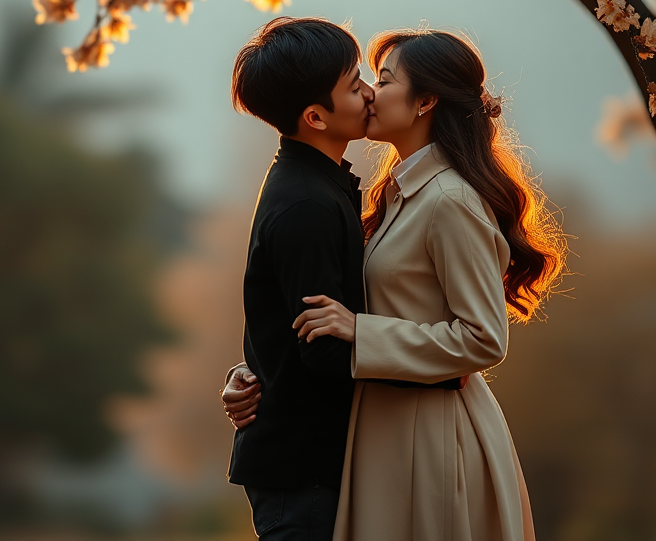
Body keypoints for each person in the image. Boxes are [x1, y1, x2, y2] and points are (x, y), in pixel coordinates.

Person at [224, 28, 565, 541]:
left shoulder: (449, 200)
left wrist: (360, 333)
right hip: (384, 432)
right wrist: (259, 373)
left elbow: (483, 337)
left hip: (430, 434)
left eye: (381, 80)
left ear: (425, 101)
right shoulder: (394, 196)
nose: (368, 92)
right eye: (361, 80)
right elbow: (306, 307)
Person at [224, 16, 374, 541]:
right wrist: (436, 366)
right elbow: (322, 347)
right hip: (303, 470)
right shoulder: (307, 204)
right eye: (355, 86)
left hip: (308, 462)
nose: (370, 93)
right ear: (315, 116)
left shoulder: (315, 185)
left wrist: (249, 368)